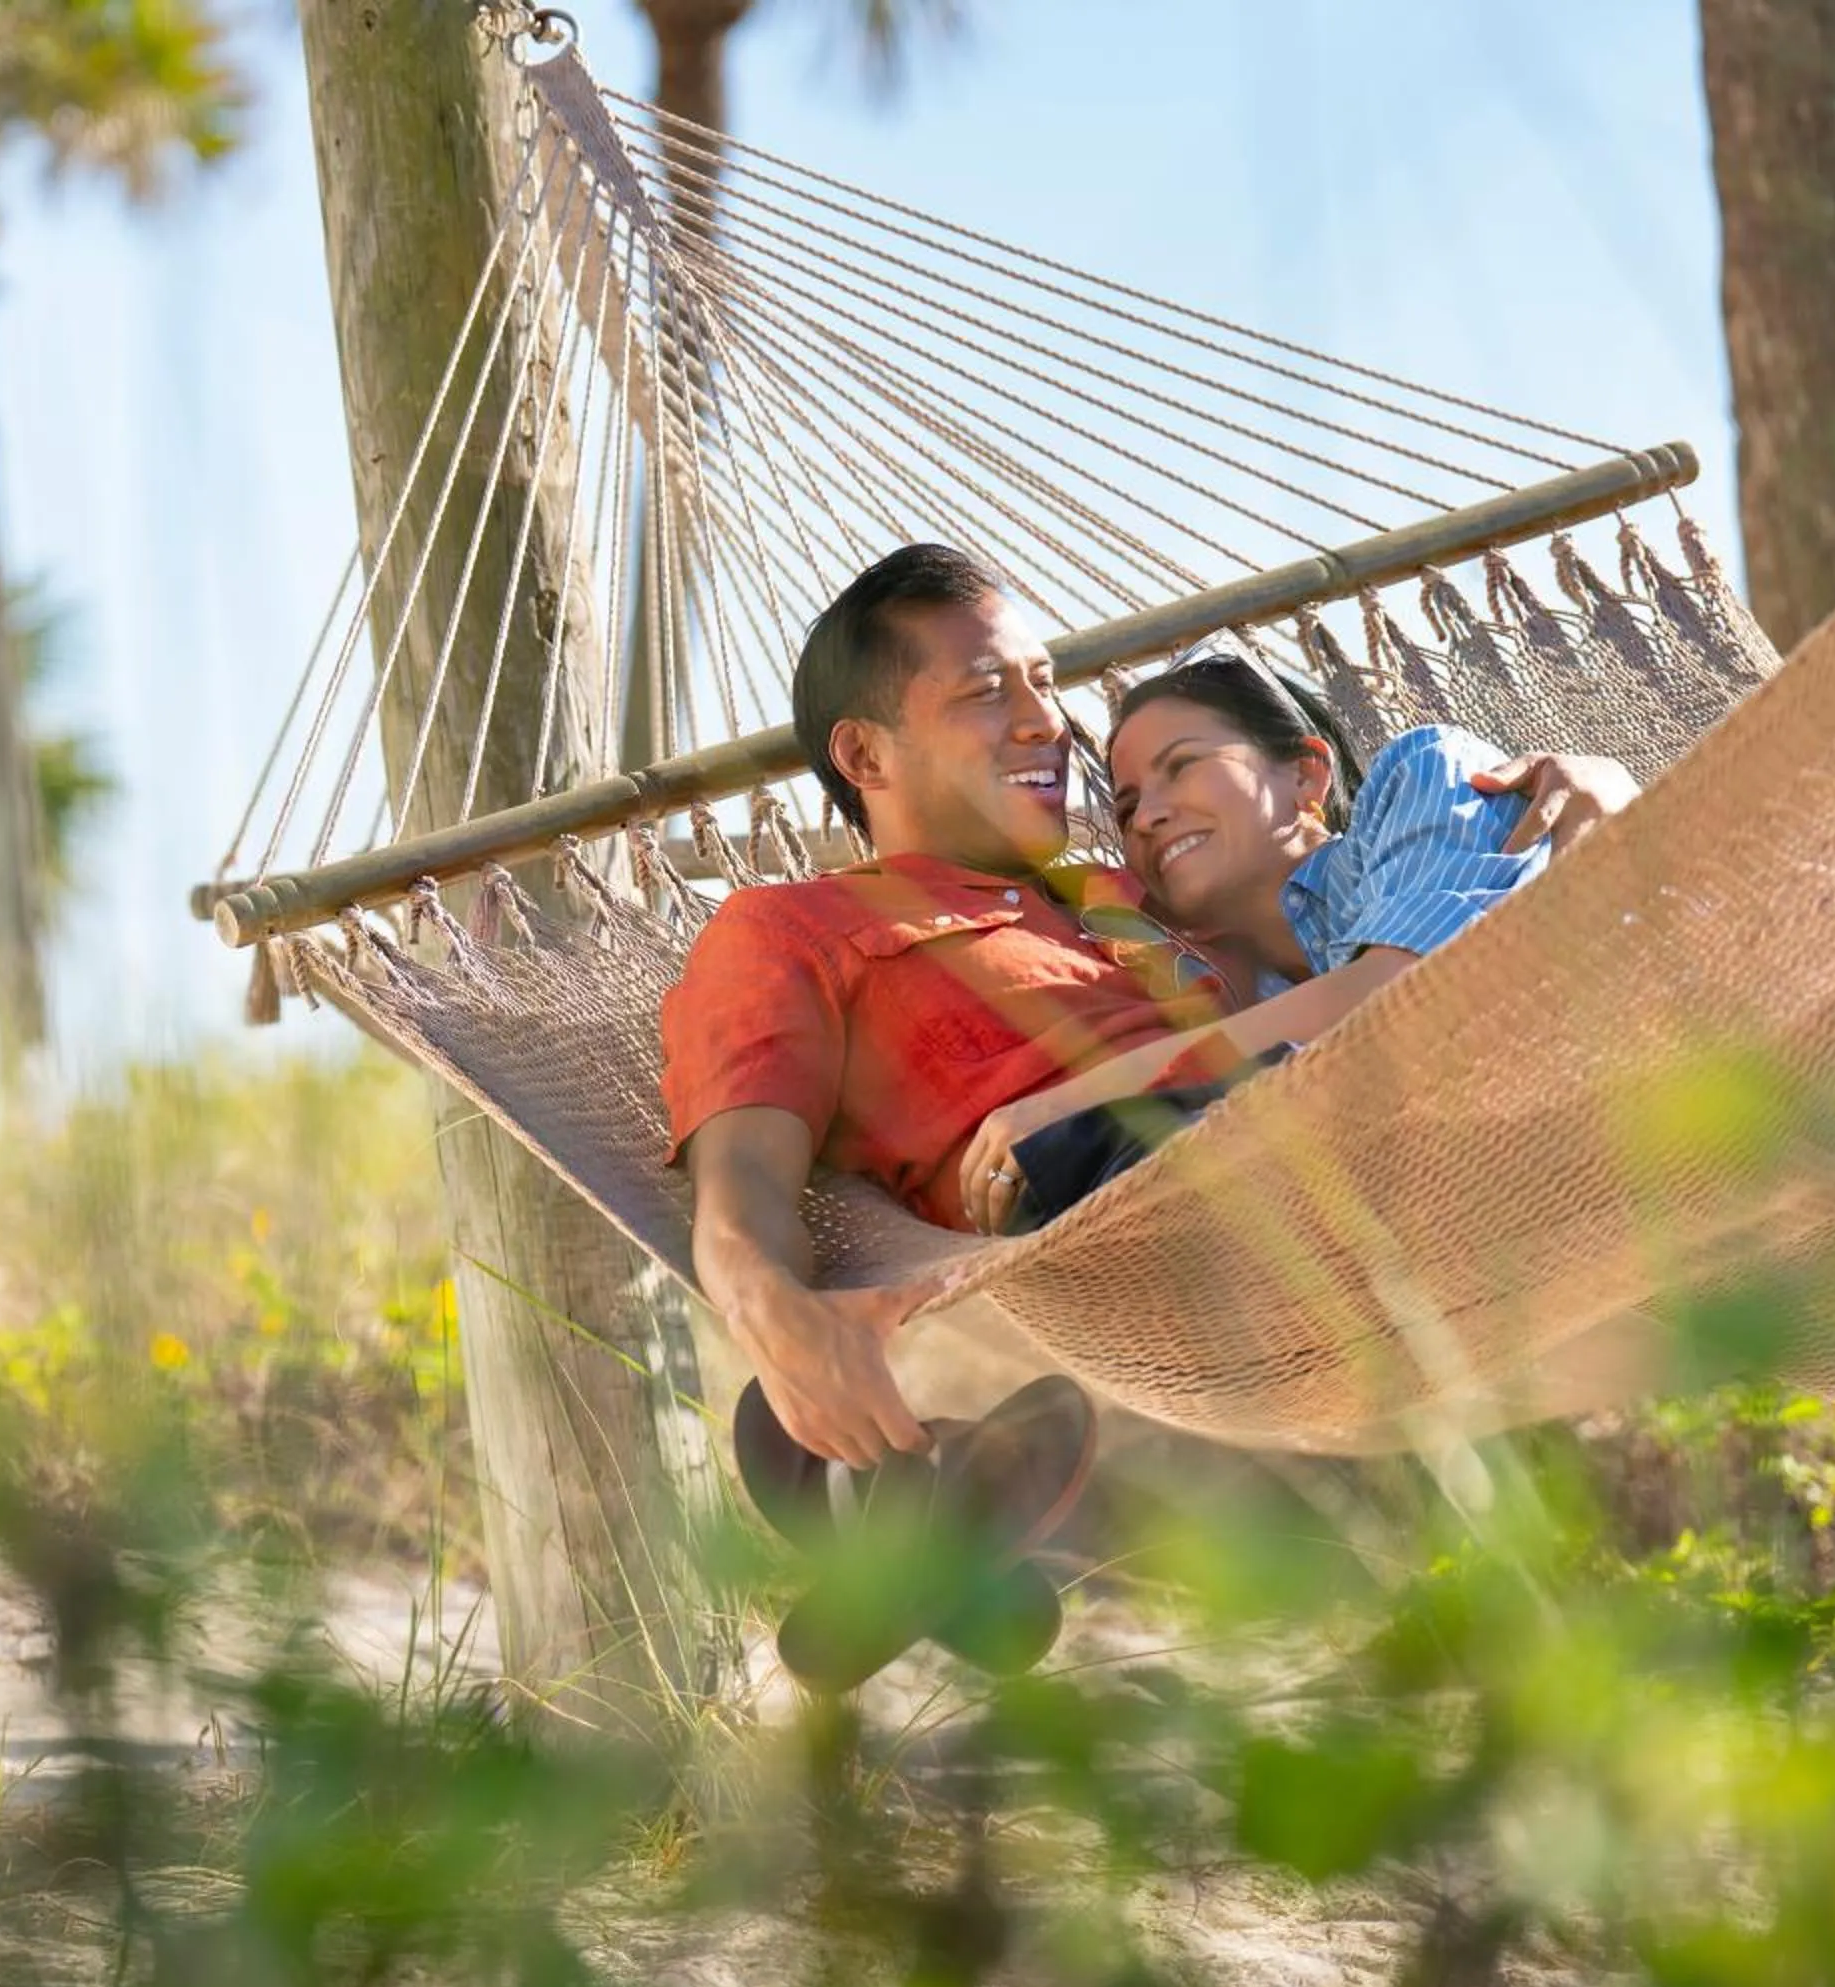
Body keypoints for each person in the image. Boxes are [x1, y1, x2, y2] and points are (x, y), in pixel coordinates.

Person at [661, 545, 1628, 1684]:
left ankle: (907, 1503)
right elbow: (744, 1185)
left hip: (1377, 1121)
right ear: (865, 751)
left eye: (1046, 682)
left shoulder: (1137, 892)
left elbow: (1362, 896)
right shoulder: (793, 929)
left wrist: (1592, 784)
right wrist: (771, 1312)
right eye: (988, 692)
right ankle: (898, 1480)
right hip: (1132, 1207)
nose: (1047, 723)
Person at [944, 636, 1601, 1234]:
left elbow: (1403, 997)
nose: (1148, 816)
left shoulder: (1428, 775)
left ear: (1305, 777)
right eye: (1127, 805)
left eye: (1184, 765)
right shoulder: (1217, 995)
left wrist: (1078, 1100)